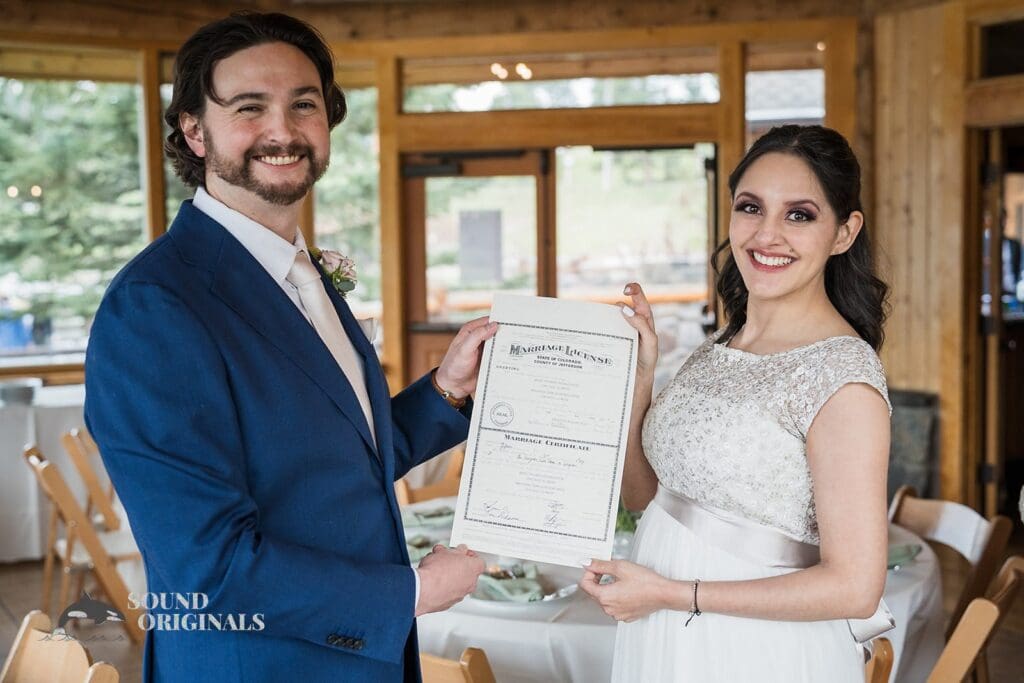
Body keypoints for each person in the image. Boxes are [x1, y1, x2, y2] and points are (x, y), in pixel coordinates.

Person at [84, 12, 493, 682]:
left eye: (304, 104)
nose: (282, 130)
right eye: (250, 107)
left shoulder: (302, 272)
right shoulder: (155, 307)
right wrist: (411, 593)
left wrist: (447, 390)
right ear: (194, 130)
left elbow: (331, 462)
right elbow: (206, 565)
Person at [580, 125, 891, 682]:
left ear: (844, 233)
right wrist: (641, 374)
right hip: (664, 631)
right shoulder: (720, 346)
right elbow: (644, 497)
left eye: (799, 215)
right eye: (751, 207)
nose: (767, 234)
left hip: (755, 650)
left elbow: (855, 587)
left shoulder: (841, 378)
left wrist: (674, 594)